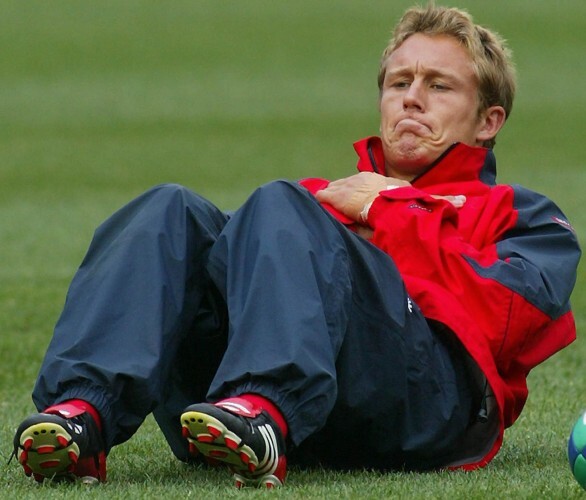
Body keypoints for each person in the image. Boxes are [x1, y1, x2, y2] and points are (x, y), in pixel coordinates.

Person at [11, 3, 580, 489]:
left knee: (285, 203)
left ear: (488, 121)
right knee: (170, 211)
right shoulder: (320, 204)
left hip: (428, 414)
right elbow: (211, 270)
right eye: (399, 83)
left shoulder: (524, 215)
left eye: (439, 86)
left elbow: (507, 316)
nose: (411, 99)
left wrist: (387, 211)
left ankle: (265, 408)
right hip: (321, 403)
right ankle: (84, 414)